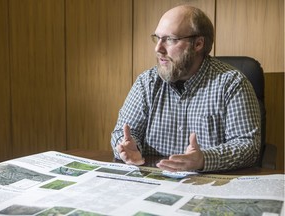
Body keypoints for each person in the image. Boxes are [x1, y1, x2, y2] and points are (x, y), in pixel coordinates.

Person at [110, 5, 261, 172]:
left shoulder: (232, 83)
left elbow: (248, 146)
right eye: (157, 38)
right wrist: (129, 148)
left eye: (170, 39)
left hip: (208, 187)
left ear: (198, 44)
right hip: (154, 181)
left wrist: (204, 159)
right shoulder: (147, 82)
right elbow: (122, 134)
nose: (158, 48)